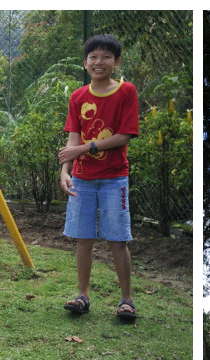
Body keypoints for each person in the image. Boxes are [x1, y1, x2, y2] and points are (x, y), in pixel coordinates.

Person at [58, 34, 140, 323]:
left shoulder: (126, 91)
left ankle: (127, 300)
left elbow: (125, 135)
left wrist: (86, 148)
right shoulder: (78, 97)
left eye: (106, 56)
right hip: (81, 178)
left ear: (116, 62)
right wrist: (65, 172)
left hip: (114, 178)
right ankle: (83, 295)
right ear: (85, 62)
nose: (99, 61)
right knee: (82, 239)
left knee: (117, 239)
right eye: (93, 56)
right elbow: (73, 138)